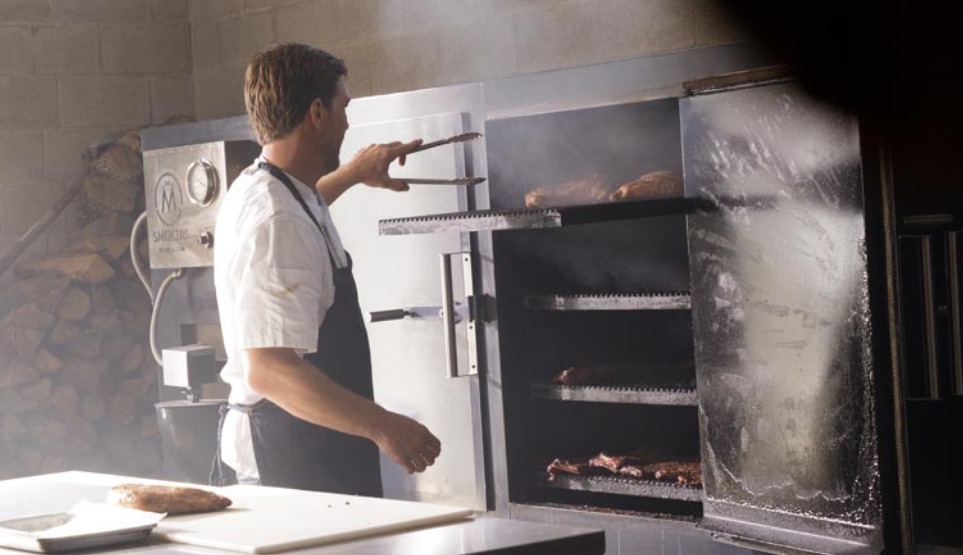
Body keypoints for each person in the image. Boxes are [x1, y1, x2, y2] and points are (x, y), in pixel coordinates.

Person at [211, 43, 441, 495]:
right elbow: (269, 370)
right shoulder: (276, 222)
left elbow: (304, 214)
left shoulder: (271, 187)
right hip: (290, 461)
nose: (347, 122)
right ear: (317, 112)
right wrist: (383, 426)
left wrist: (354, 173)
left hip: (312, 450)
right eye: (343, 108)